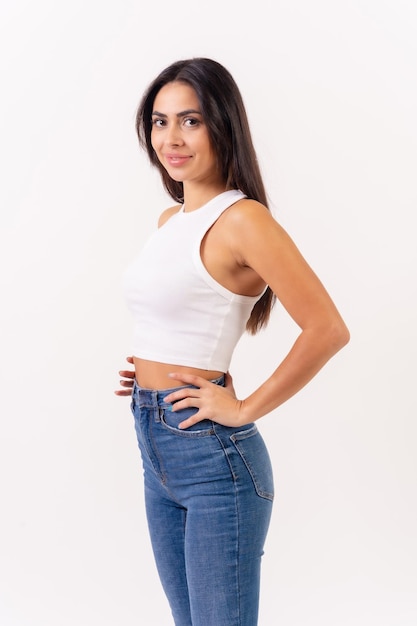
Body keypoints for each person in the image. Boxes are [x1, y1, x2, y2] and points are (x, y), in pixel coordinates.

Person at [116, 57, 350, 626]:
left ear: (222, 124)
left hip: (213, 459)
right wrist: (150, 370)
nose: (171, 137)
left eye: (190, 121)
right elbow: (189, 315)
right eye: (159, 120)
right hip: (157, 440)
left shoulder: (244, 220)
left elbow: (328, 329)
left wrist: (242, 406)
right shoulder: (170, 220)